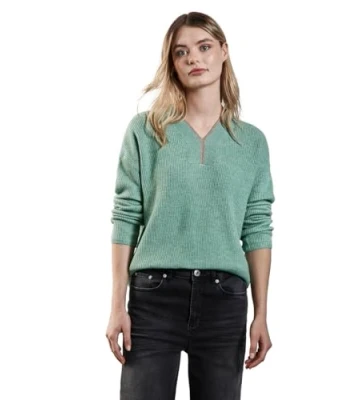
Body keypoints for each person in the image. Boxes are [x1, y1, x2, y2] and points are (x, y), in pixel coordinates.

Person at [106, 11, 275, 400]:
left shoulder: (251, 142)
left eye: (204, 47)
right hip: (153, 297)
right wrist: (117, 305)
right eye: (181, 52)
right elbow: (126, 215)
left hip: (224, 301)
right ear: (172, 63)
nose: (193, 58)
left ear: (224, 51)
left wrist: (261, 313)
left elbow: (257, 227)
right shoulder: (146, 131)